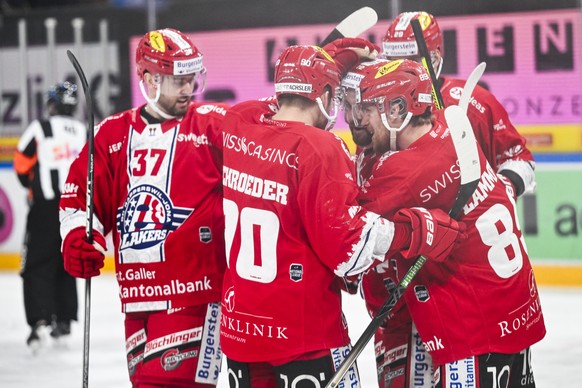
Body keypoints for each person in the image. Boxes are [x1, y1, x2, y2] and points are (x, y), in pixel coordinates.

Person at [218, 44, 465, 388]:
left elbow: (270, 105)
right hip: (303, 336)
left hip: (239, 334)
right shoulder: (321, 147)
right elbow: (349, 252)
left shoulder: (238, 124)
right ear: (326, 95)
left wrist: (314, 68)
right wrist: (414, 233)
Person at [342, 58, 546, 388]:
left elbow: (344, 236)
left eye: (366, 108)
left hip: (472, 329)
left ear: (397, 109)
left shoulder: (404, 172)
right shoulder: (449, 132)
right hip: (512, 312)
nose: (357, 119)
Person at [59, 28, 227, 387]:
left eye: (191, 79)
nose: (187, 89)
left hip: (196, 296)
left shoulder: (213, 125)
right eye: (177, 80)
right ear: (149, 80)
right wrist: (77, 237)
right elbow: (80, 196)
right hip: (137, 299)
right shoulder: (111, 135)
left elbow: (266, 138)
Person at [382, 11, 536, 198]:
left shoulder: (475, 101)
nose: (401, 71)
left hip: (473, 224)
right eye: (393, 63)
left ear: (435, 58)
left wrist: (499, 191)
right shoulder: (380, 111)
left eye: (411, 61)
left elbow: (518, 158)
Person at [14, 81, 86, 351]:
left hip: (45, 207)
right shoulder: (82, 130)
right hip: (75, 207)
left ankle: (40, 320)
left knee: (35, 264)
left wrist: (30, 185)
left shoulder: (40, 127)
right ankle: (65, 320)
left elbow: (21, 164)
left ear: (53, 104)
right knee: (65, 261)